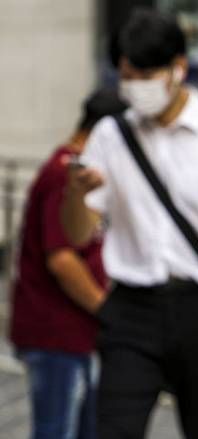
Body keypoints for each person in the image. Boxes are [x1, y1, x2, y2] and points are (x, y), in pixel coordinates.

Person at [60, 9, 198, 439]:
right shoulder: (110, 135)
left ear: (179, 67)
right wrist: (76, 193)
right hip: (131, 308)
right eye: (126, 76)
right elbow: (78, 233)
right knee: (113, 429)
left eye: (145, 75)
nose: (134, 86)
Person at [9, 88, 126, 439]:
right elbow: (62, 258)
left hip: (76, 333)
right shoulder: (66, 174)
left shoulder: (82, 171)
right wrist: (108, 311)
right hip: (56, 333)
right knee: (57, 430)